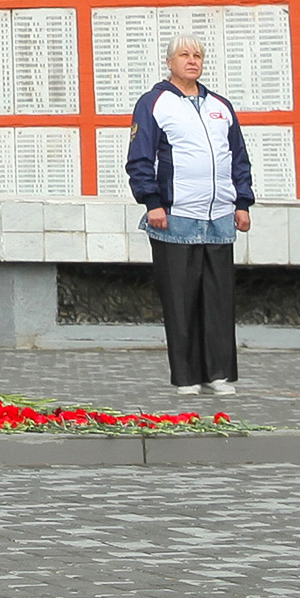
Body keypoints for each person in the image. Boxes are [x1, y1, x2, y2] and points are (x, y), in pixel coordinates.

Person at [124, 36, 255, 398]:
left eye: (197, 55)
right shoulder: (155, 103)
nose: (192, 60)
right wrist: (152, 202)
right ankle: (186, 378)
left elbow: (238, 158)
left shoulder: (220, 106)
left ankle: (219, 374)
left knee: (218, 300)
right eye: (184, 55)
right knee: (181, 301)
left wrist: (242, 203)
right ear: (170, 61)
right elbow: (139, 158)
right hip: (175, 217)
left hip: (218, 218)